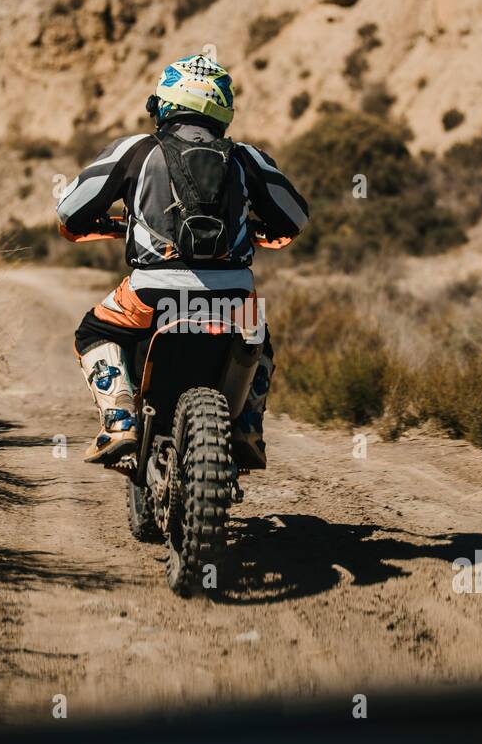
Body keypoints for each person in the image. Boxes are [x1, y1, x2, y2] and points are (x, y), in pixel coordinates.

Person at [55, 53, 309, 467]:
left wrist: (108, 224)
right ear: (224, 108)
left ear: (164, 102)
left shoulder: (135, 150)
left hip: (151, 294)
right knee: (259, 340)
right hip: (233, 296)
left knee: (93, 330)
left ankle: (120, 420)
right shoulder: (246, 157)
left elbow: (69, 210)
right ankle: (246, 427)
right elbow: (295, 217)